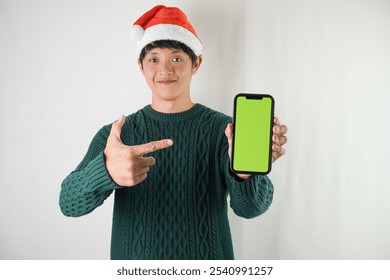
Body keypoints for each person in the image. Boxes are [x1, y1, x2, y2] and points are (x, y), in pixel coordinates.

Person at [59, 5, 288, 260]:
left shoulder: (226, 131)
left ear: (196, 63)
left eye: (177, 59)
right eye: (154, 59)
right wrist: (105, 171)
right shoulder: (117, 135)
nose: (165, 70)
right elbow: (68, 205)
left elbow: (251, 209)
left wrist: (244, 173)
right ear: (140, 66)